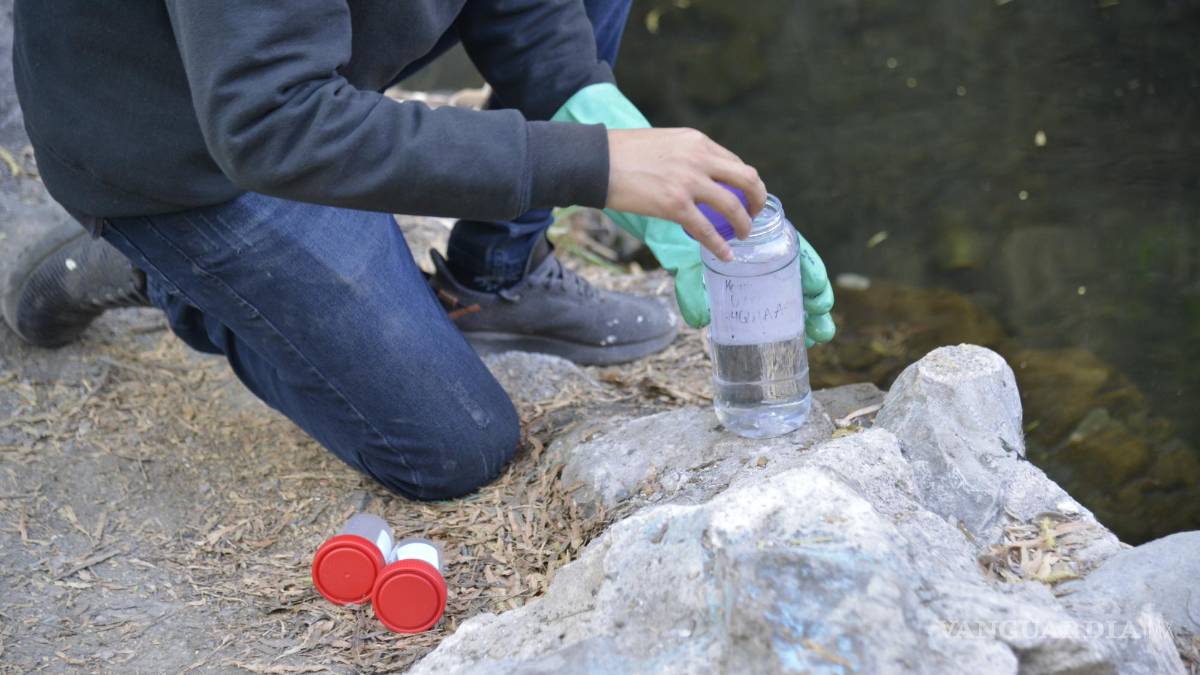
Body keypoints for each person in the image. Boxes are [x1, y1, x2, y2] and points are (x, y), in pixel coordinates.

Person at [5, 0, 835, 500]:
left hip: (308, 67)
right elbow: (273, 122)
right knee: (451, 446)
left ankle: (495, 280)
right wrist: (598, 163)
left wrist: (591, 105)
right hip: (182, 151)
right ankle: (162, 266)